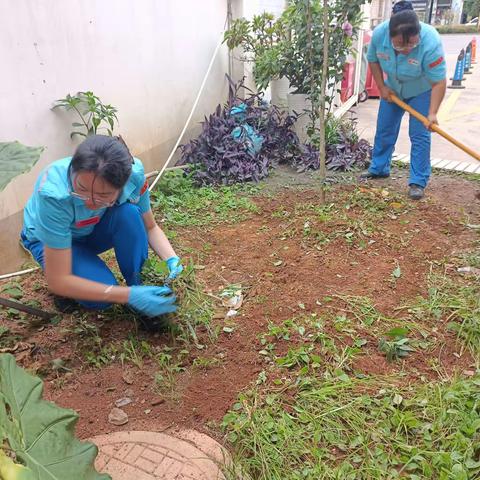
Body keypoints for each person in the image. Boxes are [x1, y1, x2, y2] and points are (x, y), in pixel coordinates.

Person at [21, 135, 183, 331]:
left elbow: (150, 227)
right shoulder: (53, 193)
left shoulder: (133, 175)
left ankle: (141, 286)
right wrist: (124, 295)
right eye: (81, 189)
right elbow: (59, 279)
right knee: (101, 300)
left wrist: (172, 260)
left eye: (103, 195)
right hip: (54, 242)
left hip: (91, 229)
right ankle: (74, 288)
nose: (89, 202)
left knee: (130, 214)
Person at [361, 0, 447, 200]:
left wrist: (432, 113)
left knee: (420, 135)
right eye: (400, 44)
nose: (407, 48)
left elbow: (439, 82)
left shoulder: (431, 41)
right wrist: (382, 87)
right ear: (390, 35)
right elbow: (373, 60)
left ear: (418, 34)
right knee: (385, 128)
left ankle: (417, 181)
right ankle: (379, 168)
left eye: (412, 43)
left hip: (422, 90)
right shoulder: (380, 35)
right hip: (393, 89)